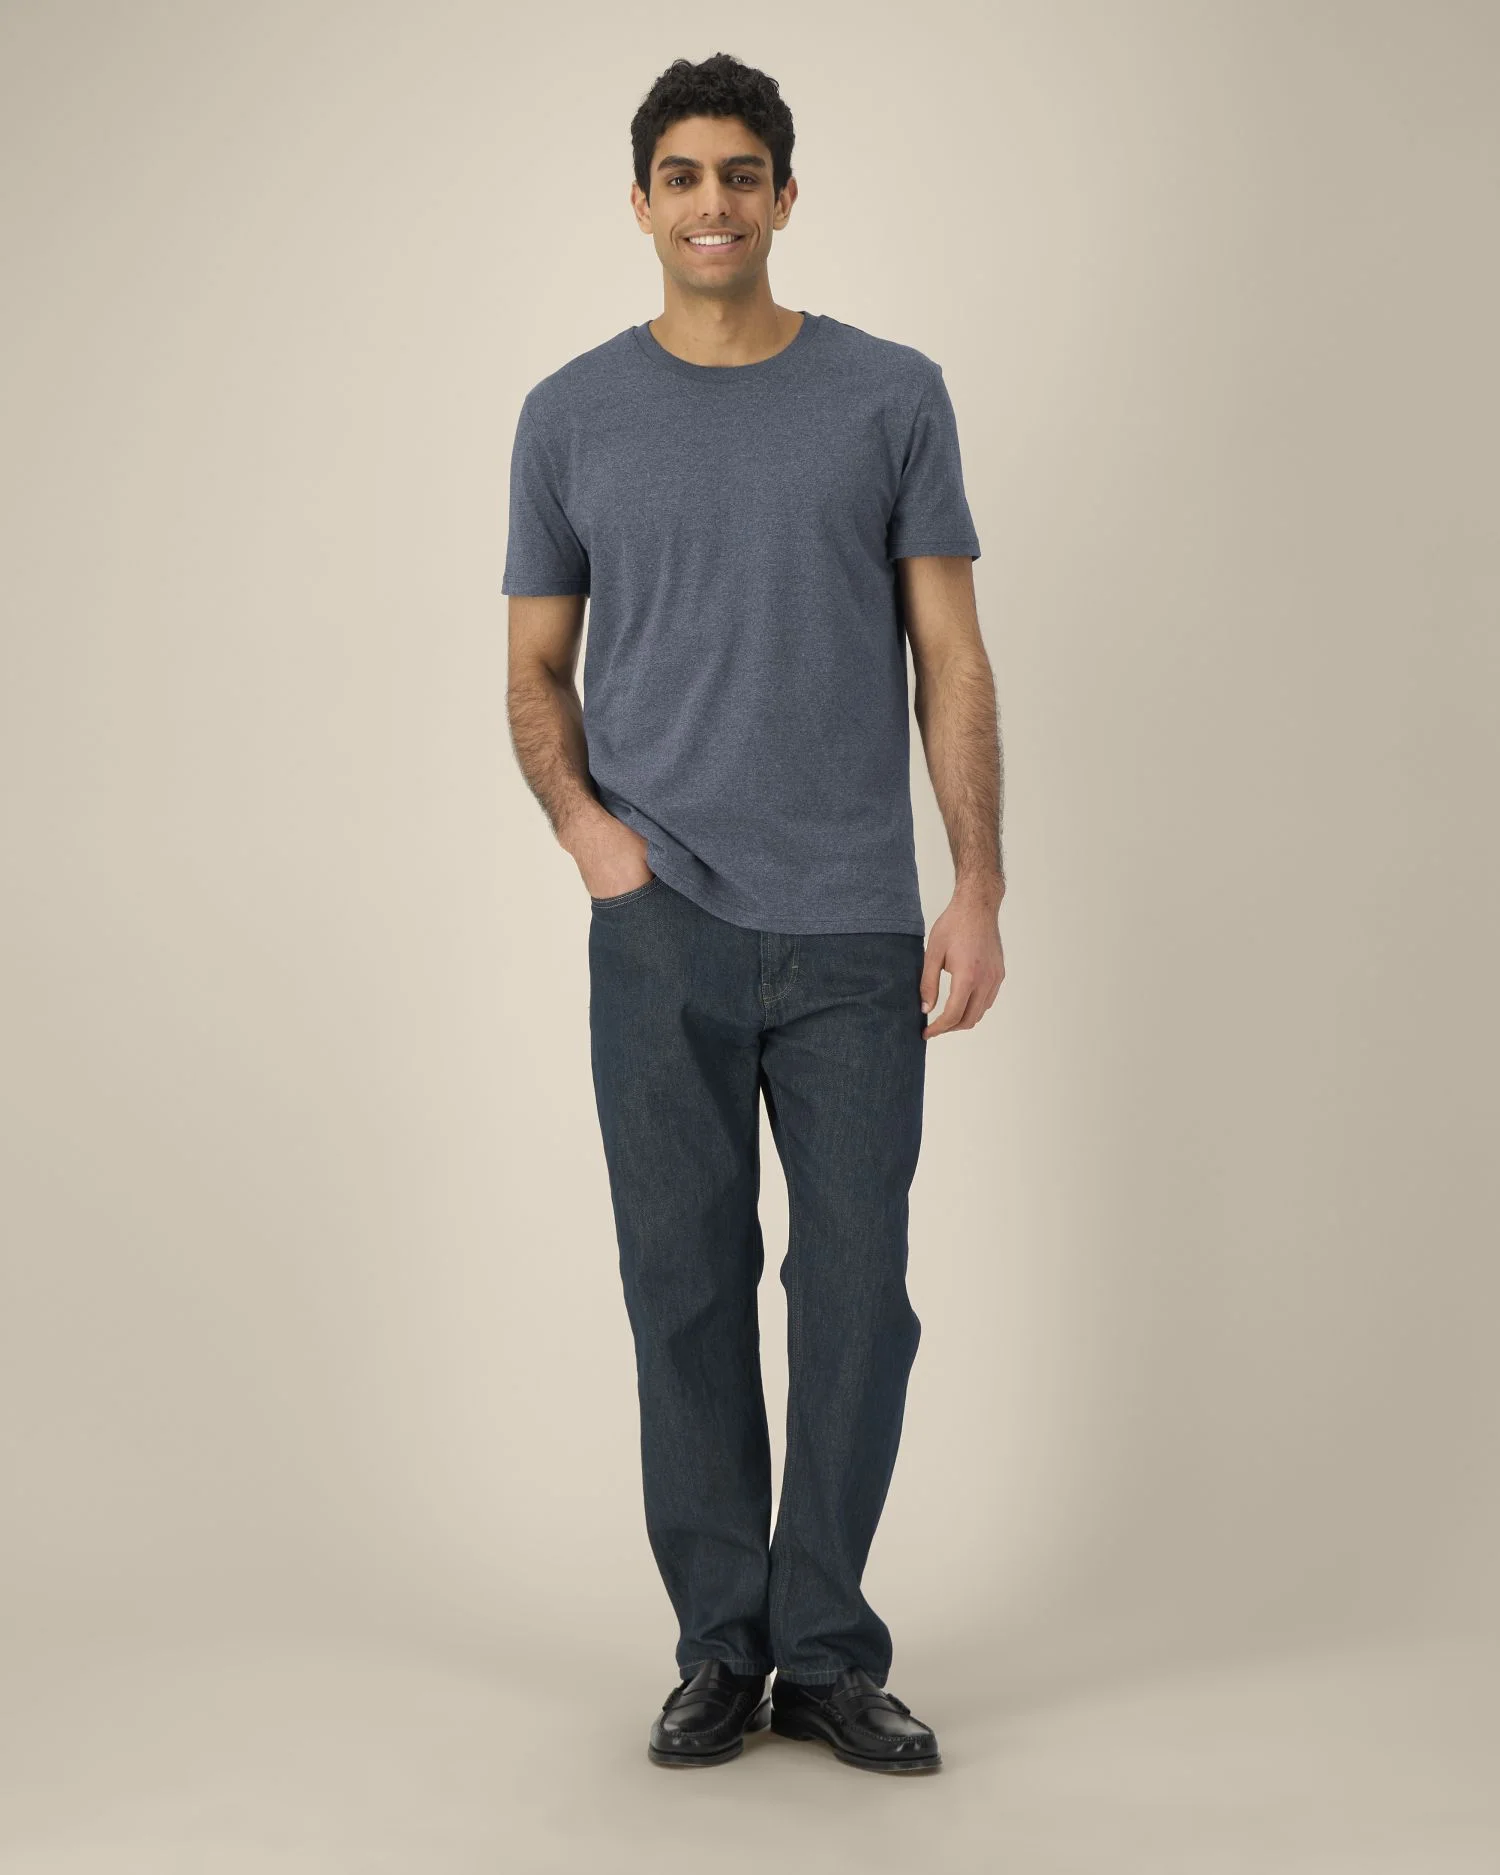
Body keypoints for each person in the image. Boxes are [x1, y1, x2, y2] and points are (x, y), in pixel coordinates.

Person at [503, 52, 1005, 1777]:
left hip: (857, 923)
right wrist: (593, 838)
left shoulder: (892, 395)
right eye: (682, 175)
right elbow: (535, 667)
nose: (711, 202)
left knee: (859, 1289)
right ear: (640, 202)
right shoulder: (570, 414)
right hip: (663, 927)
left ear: (786, 196)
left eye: (741, 173)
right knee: (685, 1288)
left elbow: (950, 656)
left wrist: (977, 882)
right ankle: (721, 1647)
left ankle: (829, 1648)